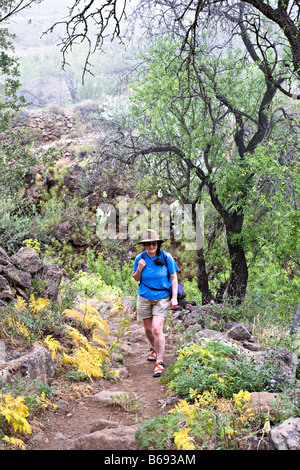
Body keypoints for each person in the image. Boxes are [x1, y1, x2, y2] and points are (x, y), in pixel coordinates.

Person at [132, 229, 179, 378]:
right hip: (144, 297)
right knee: (147, 329)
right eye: (148, 244)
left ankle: (159, 362)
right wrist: (139, 268)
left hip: (162, 297)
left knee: (157, 329)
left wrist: (174, 297)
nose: (151, 246)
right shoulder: (140, 258)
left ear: (157, 244)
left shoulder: (166, 257)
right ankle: (154, 348)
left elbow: (173, 278)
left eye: (153, 244)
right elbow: (135, 278)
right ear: (145, 245)